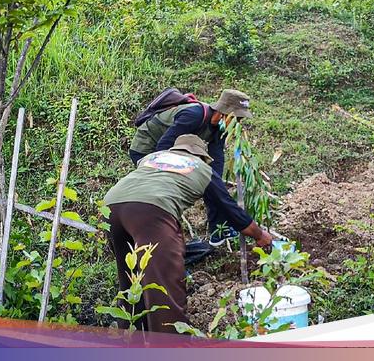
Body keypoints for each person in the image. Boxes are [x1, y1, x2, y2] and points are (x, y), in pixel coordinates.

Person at [104, 134, 272, 333]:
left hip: (111, 207)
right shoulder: (202, 169)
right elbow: (229, 209)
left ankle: (130, 341)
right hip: (152, 212)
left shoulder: (153, 158)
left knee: (131, 281)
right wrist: (259, 234)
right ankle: (170, 349)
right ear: (201, 155)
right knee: (164, 290)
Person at [129, 89, 253, 246]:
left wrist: (215, 183)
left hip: (172, 149)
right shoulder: (194, 115)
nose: (238, 123)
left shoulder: (220, 128)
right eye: (237, 118)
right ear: (224, 112)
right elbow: (164, 146)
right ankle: (156, 241)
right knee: (162, 191)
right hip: (146, 148)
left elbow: (215, 160)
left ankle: (217, 232)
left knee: (211, 182)